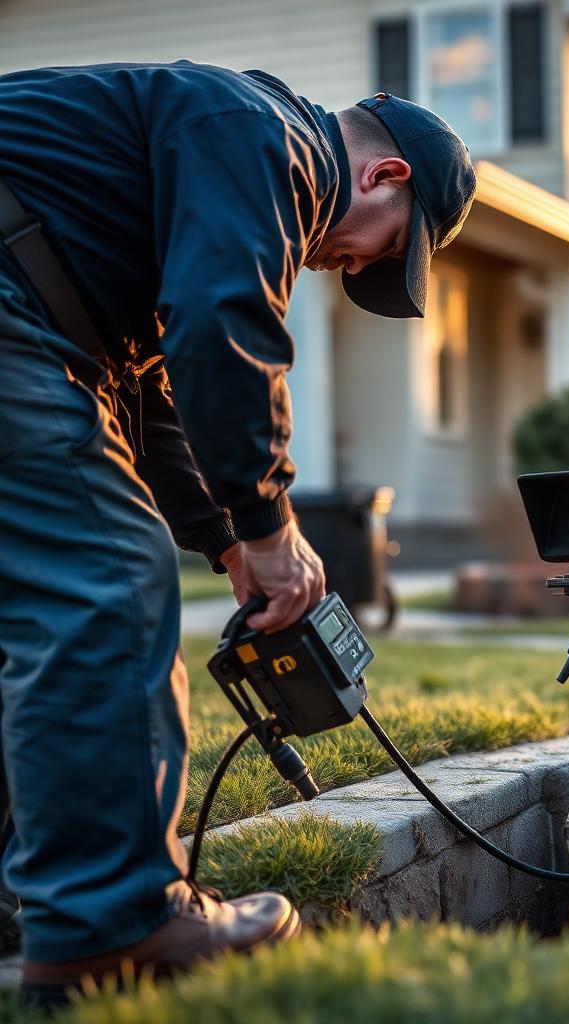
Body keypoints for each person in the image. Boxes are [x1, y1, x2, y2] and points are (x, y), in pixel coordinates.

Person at [0, 60, 476, 1004]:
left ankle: (45, 898)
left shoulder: (221, 138)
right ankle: (113, 921)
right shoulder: (267, 134)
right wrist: (268, 525)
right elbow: (220, 323)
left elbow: (150, 382)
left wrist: (227, 538)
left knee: (35, 603)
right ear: (388, 177)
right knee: (109, 578)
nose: (352, 267)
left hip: (36, 308)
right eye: (386, 252)